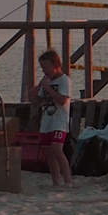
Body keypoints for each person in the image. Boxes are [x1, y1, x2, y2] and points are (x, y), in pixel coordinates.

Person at [32, 49, 74, 186]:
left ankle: (68, 179)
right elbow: (39, 102)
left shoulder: (64, 80)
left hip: (59, 120)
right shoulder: (46, 81)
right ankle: (56, 181)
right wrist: (34, 93)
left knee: (57, 148)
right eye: (42, 68)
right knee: (49, 152)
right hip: (47, 120)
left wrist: (47, 88)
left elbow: (62, 100)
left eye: (46, 67)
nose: (44, 71)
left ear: (56, 65)